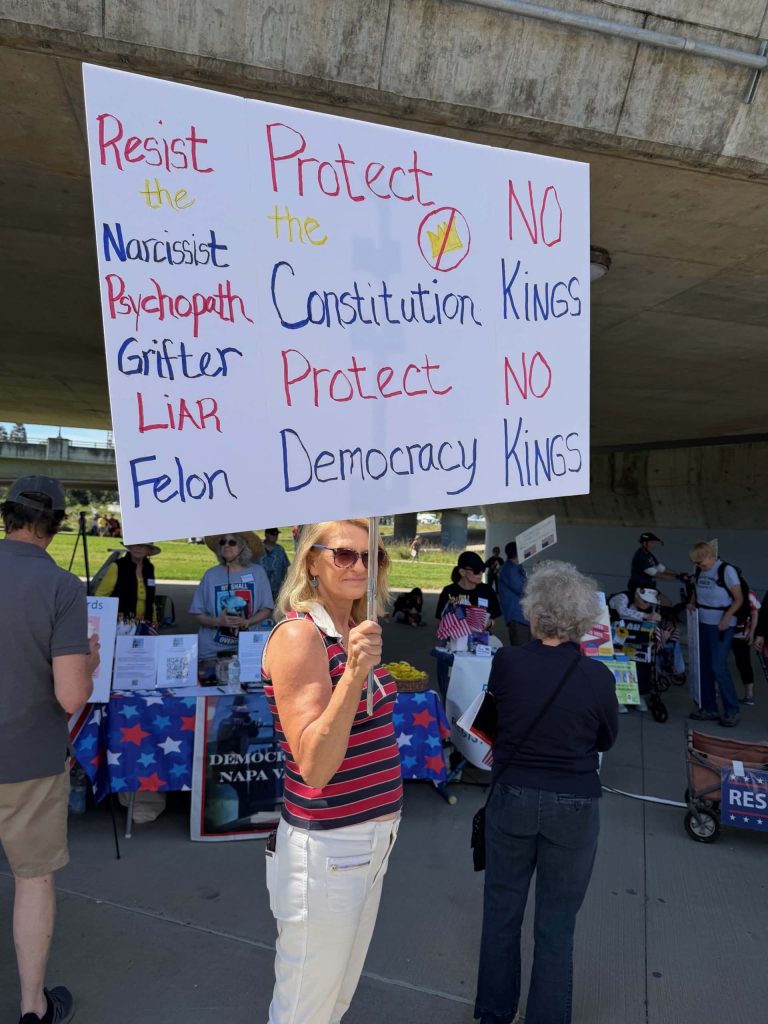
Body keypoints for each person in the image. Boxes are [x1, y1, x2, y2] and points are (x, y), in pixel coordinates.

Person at [261, 519, 402, 1023]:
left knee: (334, 998)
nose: (360, 567)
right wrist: (356, 674)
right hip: (329, 847)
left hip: (370, 840)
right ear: (311, 562)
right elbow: (316, 766)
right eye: (344, 555)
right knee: (305, 1007)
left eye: (372, 557)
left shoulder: (353, 629)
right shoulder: (301, 635)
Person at [474, 560, 619, 1024]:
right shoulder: (599, 677)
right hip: (574, 803)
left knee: (502, 912)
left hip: (513, 794)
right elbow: (606, 740)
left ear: (534, 613)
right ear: (582, 620)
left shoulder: (508, 661)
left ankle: (495, 1013)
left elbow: (488, 728)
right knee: (556, 925)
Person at [0, 475, 100, 1024]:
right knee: (32, 879)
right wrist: (87, 662)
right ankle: (32, 1007)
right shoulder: (62, 586)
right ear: (57, 524)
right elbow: (70, 696)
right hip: (28, 759)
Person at [189, 531, 272, 666]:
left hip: (247, 648)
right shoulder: (210, 575)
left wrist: (247, 622)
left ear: (243, 547)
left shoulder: (257, 573)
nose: (226, 545)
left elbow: (267, 608)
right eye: (223, 542)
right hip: (212, 651)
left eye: (232, 542)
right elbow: (197, 613)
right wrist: (217, 621)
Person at [688, 540, 743, 727]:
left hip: (721, 624)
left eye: (701, 563)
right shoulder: (699, 570)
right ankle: (709, 707)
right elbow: (697, 589)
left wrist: (726, 618)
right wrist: (692, 602)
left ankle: (732, 709)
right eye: (696, 563)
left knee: (718, 666)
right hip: (703, 622)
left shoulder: (726, 570)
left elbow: (738, 599)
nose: (699, 566)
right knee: (703, 666)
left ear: (711, 557)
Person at [609, 586, 662, 712]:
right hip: (616, 635)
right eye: (645, 601)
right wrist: (646, 615)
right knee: (619, 663)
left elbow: (653, 621)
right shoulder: (622, 597)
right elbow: (622, 611)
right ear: (637, 595)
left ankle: (638, 695)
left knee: (643, 662)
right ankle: (618, 697)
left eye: (650, 602)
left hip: (637, 638)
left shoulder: (649, 608)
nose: (647, 604)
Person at [94, 541, 161, 628]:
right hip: (120, 624)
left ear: (149, 550)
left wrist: (154, 621)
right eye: (135, 544)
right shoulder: (117, 566)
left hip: (145, 623)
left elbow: (150, 598)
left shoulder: (149, 567)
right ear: (130, 547)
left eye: (143, 545)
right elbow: (100, 596)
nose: (138, 547)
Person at [435, 551, 501, 629]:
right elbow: (440, 619)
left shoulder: (487, 591)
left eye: (482, 570)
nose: (480, 573)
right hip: (455, 638)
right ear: (462, 572)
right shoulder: (449, 591)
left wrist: (489, 623)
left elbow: (494, 616)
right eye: (476, 570)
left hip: (480, 638)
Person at [628, 532, 682, 606]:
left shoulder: (648, 554)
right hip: (639, 587)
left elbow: (661, 568)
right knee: (665, 603)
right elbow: (657, 574)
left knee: (667, 603)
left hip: (647, 586)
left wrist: (679, 574)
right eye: (652, 543)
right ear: (644, 544)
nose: (654, 545)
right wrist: (677, 578)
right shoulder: (640, 557)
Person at [732, 587, 760, 706]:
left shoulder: (749, 594)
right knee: (718, 662)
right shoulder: (724, 591)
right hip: (724, 632)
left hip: (742, 635)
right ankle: (715, 690)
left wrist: (752, 633)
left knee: (743, 663)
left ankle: (749, 695)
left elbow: (755, 613)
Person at [498, 542, 530, 646]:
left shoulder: (515, 567)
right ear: (517, 553)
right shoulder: (511, 569)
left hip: (520, 616)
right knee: (521, 649)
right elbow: (524, 589)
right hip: (517, 616)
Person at [259, 528, 291, 602]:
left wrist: (285, 585)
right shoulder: (258, 549)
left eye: (277, 534)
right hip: (261, 589)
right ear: (266, 534)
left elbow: (285, 568)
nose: (275, 536)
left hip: (277, 590)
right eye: (273, 534)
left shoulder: (280, 549)